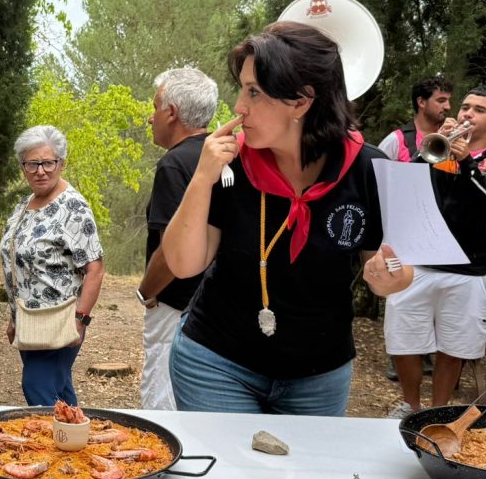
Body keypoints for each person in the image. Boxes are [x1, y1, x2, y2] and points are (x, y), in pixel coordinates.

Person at [161, 23, 413, 416]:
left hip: (319, 373)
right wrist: (201, 177)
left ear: (301, 101)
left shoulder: (368, 169)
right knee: (227, 477)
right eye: (243, 89)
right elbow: (182, 263)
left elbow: (392, 267)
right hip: (216, 363)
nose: (239, 107)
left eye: (254, 92)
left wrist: (390, 277)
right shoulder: (231, 165)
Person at [385, 89, 486, 417]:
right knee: (404, 340)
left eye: (479, 110)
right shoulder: (436, 149)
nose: (467, 114)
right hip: (417, 262)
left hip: (467, 266)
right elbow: (407, 187)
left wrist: (467, 164)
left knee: (453, 345)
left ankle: (438, 410)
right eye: (465, 107)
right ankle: (411, 405)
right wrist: (427, 148)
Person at [0, 125, 103, 407]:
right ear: (23, 166)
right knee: (60, 389)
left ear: (61, 163)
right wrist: (14, 315)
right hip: (30, 322)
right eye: (32, 163)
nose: (40, 170)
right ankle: (76, 439)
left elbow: (94, 268)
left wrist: (81, 319)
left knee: (38, 387)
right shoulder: (24, 204)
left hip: (61, 321)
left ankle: (51, 446)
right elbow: (20, 265)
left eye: (48, 162)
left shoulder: (74, 207)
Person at [136, 66, 217, 409]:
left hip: (176, 307)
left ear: (171, 113)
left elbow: (171, 250)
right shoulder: (226, 156)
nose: (150, 118)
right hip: (215, 307)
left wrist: (146, 291)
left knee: (162, 399)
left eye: (155, 108)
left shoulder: (176, 165)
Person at [378, 75, 453, 162]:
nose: (448, 107)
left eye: (448, 101)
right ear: (421, 102)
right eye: (441, 101)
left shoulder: (452, 138)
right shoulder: (395, 141)